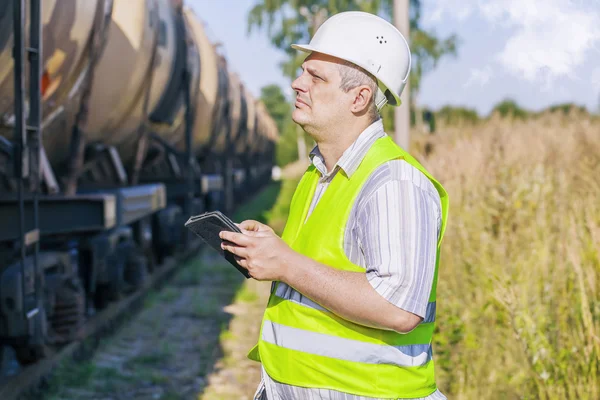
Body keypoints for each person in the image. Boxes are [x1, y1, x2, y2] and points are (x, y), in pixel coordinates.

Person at [219, 11, 449, 400]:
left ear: (359, 98)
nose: (296, 83)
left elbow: (398, 308)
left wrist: (285, 263)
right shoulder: (316, 174)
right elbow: (321, 264)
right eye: (302, 72)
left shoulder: (392, 182)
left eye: (315, 77)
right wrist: (273, 249)